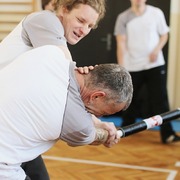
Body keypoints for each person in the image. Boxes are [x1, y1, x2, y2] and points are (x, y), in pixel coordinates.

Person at [0, 0, 107, 179]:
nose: (84, 30)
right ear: (64, 9)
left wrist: (97, 124)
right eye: (80, 20)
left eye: (90, 26)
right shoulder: (45, 20)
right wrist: (98, 124)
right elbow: (68, 84)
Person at [0, 45, 133, 180]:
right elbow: (96, 135)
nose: (99, 117)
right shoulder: (78, 124)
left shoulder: (51, 52)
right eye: (103, 112)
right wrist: (108, 135)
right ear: (96, 96)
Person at [114, 0, 180, 144]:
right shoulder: (123, 17)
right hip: (132, 66)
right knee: (129, 100)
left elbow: (164, 35)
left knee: (160, 101)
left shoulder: (156, 13)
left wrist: (156, 51)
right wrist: (122, 68)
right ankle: (126, 130)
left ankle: (167, 134)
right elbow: (121, 43)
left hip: (155, 65)